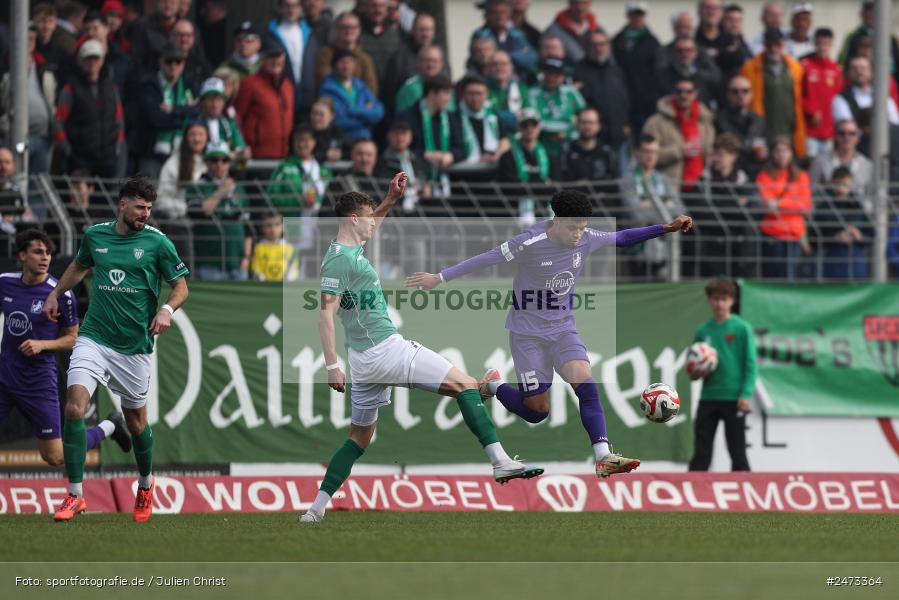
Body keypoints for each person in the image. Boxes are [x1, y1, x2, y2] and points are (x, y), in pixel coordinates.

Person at [300, 174, 543, 524]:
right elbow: (325, 313)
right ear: (354, 219)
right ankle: (500, 460)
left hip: (364, 360)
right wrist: (331, 366)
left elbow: (369, 226)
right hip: (384, 349)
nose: (374, 222)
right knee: (463, 387)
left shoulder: (346, 251)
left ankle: (315, 509)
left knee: (359, 438)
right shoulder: (340, 260)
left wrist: (390, 199)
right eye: (369, 216)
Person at [405, 190, 693, 478]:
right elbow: (487, 258)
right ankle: (494, 385)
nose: (579, 235)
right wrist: (440, 277)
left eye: (582, 228)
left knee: (586, 383)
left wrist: (665, 228)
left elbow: (622, 238)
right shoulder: (529, 242)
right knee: (536, 411)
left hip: (563, 329)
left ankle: (603, 455)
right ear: (557, 220)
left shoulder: (587, 237)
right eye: (573, 228)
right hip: (527, 335)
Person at [45, 176, 190, 522]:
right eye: (140, 207)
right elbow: (79, 266)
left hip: (133, 347)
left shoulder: (158, 243)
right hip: (94, 336)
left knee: (137, 424)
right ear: (122, 204)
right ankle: (76, 495)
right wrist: (55, 293)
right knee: (75, 407)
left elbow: (181, 286)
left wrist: (167, 310)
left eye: (149, 208)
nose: (145, 214)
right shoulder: (96, 235)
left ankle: (145, 483)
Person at [0, 230, 130, 469]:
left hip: (38, 382)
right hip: (5, 376)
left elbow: (72, 338)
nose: (45, 258)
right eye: (38, 252)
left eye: (49, 253)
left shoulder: (61, 294)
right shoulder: (5, 282)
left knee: (56, 456)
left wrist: (43, 345)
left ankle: (109, 426)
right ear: (22, 255)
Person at [687, 278, 756, 472]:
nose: (719, 304)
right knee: (701, 452)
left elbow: (750, 364)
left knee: (737, 451)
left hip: (734, 397)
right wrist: (696, 372)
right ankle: (691, 494)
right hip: (709, 397)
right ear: (709, 301)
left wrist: (745, 393)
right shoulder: (703, 331)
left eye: (724, 299)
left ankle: (745, 494)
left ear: (732, 301)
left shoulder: (742, 328)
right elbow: (693, 369)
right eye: (715, 299)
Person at [53, 40, 126, 178]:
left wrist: (117, 147)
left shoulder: (111, 87)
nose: (92, 62)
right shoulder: (71, 88)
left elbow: (119, 119)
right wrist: (67, 150)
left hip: (108, 157)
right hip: (80, 158)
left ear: (102, 60)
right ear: (80, 61)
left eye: (95, 58)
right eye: (88, 58)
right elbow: (58, 121)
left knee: (106, 198)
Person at [188, 141, 252, 280]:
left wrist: (246, 258)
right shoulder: (197, 186)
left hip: (237, 262)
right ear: (206, 162)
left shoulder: (239, 189)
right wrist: (221, 192)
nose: (219, 164)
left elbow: (247, 227)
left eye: (224, 160)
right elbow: (198, 212)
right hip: (209, 262)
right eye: (214, 160)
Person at [740, 28, 807, 159]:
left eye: (778, 45)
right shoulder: (750, 68)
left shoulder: (795, 68)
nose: (774, 49)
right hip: (762, 129)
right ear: (764, 45)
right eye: (769, 45)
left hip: (789, 130)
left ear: (783, 45)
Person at [0, 23, 56, 175]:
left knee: (37, 184)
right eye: (26, 38)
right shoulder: (6, 69)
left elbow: (51, 101)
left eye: (32, 38)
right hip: (13, 137)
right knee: (15, 178)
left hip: (41, 137)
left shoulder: (42, 68)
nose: (29, 42)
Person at [136, 42, 199, 176]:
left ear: (184, 64)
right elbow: (155, 119)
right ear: (161, 62)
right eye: (168, 61)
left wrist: (174, 110)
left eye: (178, 61)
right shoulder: (149, 85)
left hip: (182, 153)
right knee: (150, 194)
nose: (173, 66)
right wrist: (185, 113)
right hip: (153, 154)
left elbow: (199, 112)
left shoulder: (189, 83)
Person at [642, 79, 715, 190]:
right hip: (669, 187)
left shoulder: (705, 121)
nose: (683, 95)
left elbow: (710, 151)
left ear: (695, 94)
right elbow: (645, 156)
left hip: (700, 186)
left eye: (688, 92)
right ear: (673, 94)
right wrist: (679, 151)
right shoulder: (656, 122)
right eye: (679, 91)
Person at [757, 136, 812, 280]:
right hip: (772, 234)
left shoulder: (802, 176)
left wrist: (779, 204)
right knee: (771, 278)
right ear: (772, 154)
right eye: (778, 151)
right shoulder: (764, 176)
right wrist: (792, 204)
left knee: (790, 278)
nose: (782, 155)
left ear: (791, 153)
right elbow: (767, 207)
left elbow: (805, 205)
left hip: (794, 235)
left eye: (785, 151)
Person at [573, 30, 631, 155]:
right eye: (594, 44)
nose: (599, 48)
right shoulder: (578, 71)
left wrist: (626, 124)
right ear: (587, 47)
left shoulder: (617, 71)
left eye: (602, 44)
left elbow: (626, 100)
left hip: (619, 138)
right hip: (593, 139)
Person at [234, 40, 295, 159]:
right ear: (262, 59)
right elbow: (238, 118)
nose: (276, 61)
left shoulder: (288, 86)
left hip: (284, 155)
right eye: (271, 57)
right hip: (258, 155)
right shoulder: (249, 83)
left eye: (279, 56)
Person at [832, 56, 899, 157]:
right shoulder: (841, 99)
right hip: (858, 153)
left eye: (863, 68)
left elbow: (894, 123)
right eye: (854, 68)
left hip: (885, 150)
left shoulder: (884, 98)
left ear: (871, 72)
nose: (859, 72)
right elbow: (847, 127)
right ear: (849, 72)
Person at [498, 109, 554, 225]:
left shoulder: (550, 155)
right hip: (517, 212)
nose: (530, 129)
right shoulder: (508, 156)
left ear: (539, 128)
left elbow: (556, 185)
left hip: (546, 208)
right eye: (525, 125)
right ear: (518, 128)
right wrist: (543, 183)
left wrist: (526, 185)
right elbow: (511, 188)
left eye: (534, 125)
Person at [612, 2, 661, 133]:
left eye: (640, 14)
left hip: (646, 102)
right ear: (628, 16)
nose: (637, 18)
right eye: (634, 14)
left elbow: (657, 73)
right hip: (622, 101)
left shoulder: (652, 42)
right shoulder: (617, 41)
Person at [815, 166, 871, 279]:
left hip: (856, 262)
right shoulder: (824, 207)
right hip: (833, 260)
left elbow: (871, 234)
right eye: (838, 184)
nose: (842, 188)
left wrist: (860, 236)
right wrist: (835, 238)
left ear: (851, 184)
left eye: (846, 184)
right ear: (832, 183)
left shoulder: (858, 206)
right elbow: (814, 237)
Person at [266, 0, 319, 117]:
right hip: (279, 95)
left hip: (307, 98)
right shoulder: (270, 33)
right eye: (287, 6)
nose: (291, 10)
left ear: (301, 8)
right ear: (279, 8)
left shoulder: (309, 33)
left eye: (295, 6)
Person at [319, 49, 384, 141]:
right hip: (342, 138)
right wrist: (365, 118)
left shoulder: (361, 86)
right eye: (342, 62)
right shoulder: (328, 89)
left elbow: (378, 112)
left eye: (349, 62)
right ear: (334, 65)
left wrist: (353, 111)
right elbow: (336, 119)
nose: (346, 66)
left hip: (365, 138)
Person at [528, 58, 585, 157]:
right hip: (541, 144)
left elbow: (584, 116)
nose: (551, 78)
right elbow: (532, 121)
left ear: (563, 76)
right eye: (548, 73)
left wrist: (567, 133)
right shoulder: (532, 93)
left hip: (571, 146)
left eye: (556, 74)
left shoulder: (571, 92)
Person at [381, 12, 440, 107]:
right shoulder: (399, 57)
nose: (426, 34)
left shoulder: (440, 54)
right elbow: (389, 93)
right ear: (413, 31)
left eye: (429, 29)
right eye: (422, 30)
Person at [809, 119, 873, 205]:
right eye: (842, 133)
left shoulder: (867, 165)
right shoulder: (820, 162)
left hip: (857, 215)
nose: (847, 137)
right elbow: (811, 192)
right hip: (829, 214)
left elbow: (871, 196)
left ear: (858, 137)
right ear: (836, 136)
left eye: (852, 133)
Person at [800, 28, 843, 158]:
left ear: (831, 45)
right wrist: (811, 111)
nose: (822, 47)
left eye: (826, 44)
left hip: (829, 130)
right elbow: (797, 94)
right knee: (811, 164)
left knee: (826, 167)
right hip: (810, 129)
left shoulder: (836, 69)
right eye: (819, 43)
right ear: (814, 44)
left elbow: (839, 98)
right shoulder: (805, 66)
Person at [714, 75, 768, 176]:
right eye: (735, 92)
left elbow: (766, 146)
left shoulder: (760, 121)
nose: (740, 95)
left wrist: (764, 153)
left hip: (755, 174)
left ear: (751, 94)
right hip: (728, 175)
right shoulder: (718, 120)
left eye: (745, 91)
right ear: (728, 94)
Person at [471, 0, 537, 81]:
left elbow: (531, 58)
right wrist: (516, 55)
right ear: (487, 16)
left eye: (503, 13)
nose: (499, 16)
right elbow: (481, 60)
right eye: (495, 13)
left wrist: (504, 56)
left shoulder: (517, 35)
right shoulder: (480, 35)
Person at [315, 11, 378, 96]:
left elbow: (371, 89)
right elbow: (324, 80)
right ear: (336, 29)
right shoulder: (326, 54)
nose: (349, 31)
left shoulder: (365, 58)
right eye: (344, 27)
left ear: (359, 30)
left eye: (353, 27)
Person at [156, 121, 208, 221]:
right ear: (185, 138)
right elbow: (161, 201)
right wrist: (187, 208)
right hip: (182, 220)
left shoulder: (215, 161)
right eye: (192, 134)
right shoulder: (173, 164)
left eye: (201, 134)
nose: (197, 139)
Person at [376, 119, 431, 212]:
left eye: (404, 133)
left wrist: (427, 189)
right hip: (396, 208)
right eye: (396, 133)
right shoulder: (382, 162)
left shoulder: (419, 160)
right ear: (388, 136)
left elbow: (427, 180)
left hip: (420, 205)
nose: (400, 138)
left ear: (411, 136)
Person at [457, 75, 509, 165]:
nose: (475, 98)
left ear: (486, 94)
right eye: (471, 93)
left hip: (491, 168)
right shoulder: (455, 118)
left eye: (479, 94)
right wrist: (478, 159)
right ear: (463, 94)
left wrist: (496, 155)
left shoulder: (493, 116)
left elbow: (504, 141)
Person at [195, 77, 248, 159]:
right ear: (202, 102)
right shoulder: (193, 124)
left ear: (224, 102)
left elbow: (240, 148)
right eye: (210, 99)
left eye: (218, 99)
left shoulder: (230, 123)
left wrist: (242, 153)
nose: (214, 104)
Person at [559, 107, 616, 182]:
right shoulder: (567, 153)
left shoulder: (607, 153)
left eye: (591, 122)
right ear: (577, 124)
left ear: (598, 125)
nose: (587, 126)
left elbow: (615, 183)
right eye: (584, 122)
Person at [394, 45, 450, 114]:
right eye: (426, 61)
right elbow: (402, 120)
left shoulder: (448, 89)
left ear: (441, 63)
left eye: (435, 61)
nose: (430, 65)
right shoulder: (408, 89)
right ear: (418, 62)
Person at [128, 0, 181, 72]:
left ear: (178, 5)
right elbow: (138, 61)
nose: (168, 5)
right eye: (164, 1)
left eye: (172, 2)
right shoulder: (143, 27)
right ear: (157, 3)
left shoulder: (187, 28)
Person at [544, 0, 600, 65]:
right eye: (576, 3)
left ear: (590, 4)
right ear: (569, 3)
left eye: (584, 3)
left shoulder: (597, 30)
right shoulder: (554, 31)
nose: (580, 8)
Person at [486, 50, 530, 133]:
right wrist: (513, 117)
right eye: (495, 64)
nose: (499, 68)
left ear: (511, 67)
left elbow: (527, 115)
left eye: (503, 64)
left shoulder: (521, 89)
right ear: (488, 68)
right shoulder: (483, 89)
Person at [250, 211, 299, 281]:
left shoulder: (290, 248)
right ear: (262, 228)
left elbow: (293, 269)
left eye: (277, 224)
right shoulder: (259, 248)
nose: (273, 229)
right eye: (269, 225)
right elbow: (256, 270)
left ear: (283, 226)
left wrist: (287, 280)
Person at [358, 0, 401, 79]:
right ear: (366, 7)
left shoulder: (395, 34)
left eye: (381, 6)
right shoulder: (356, 32)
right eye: (374, 6)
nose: (378, 10)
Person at [216, 20, 262, 86]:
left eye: (249, 40)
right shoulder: (224, 67)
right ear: (234, 43)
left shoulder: (266, 65)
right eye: (239, 40)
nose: (243, 44)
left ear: (259, 43)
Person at [309, 97, 350, 163]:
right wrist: (325, 155)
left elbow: (352, 151)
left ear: (332, 116)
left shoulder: (338, 133)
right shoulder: (305, 133)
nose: (316, 118)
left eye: (321, 115)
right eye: (314, 114)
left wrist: (340, 154)